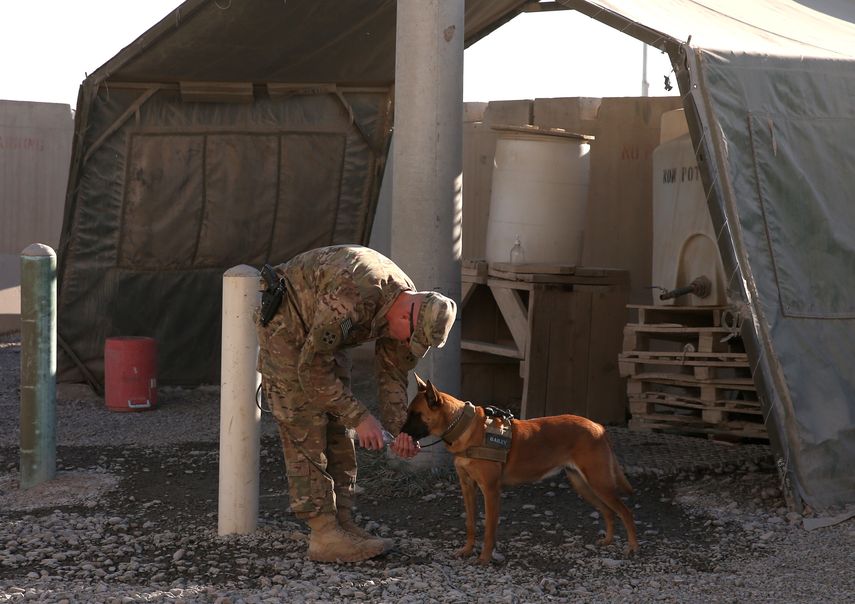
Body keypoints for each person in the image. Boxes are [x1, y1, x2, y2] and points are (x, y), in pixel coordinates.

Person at [255, 244, 457, 563]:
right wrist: (361, 417)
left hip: (323, 336)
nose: (407, 344)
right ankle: (324, 534)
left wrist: (401, 433)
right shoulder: (354, 295)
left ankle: (343, 524)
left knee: (339, 427)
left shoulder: (405, 310)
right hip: (289, 324)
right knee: (305, 422)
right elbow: (310, 368)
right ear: (407, 313)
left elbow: (392, 375)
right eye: (411, 337)